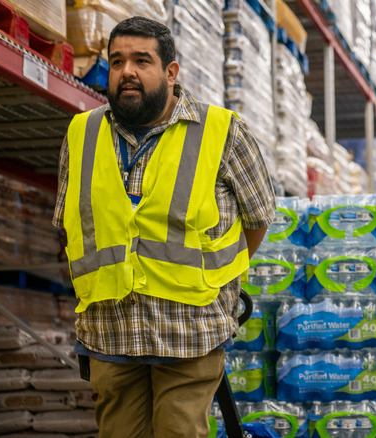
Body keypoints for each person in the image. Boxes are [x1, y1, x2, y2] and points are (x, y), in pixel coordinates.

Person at [52, 17, 275, 437]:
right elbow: (68, 226)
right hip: (110, 333)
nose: (127, 72)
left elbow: (258, 220)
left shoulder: (223, 132)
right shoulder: (81, 134)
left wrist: (212, 280)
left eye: (141, 61)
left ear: (172, 72)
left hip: (189, 332)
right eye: (116, 62)